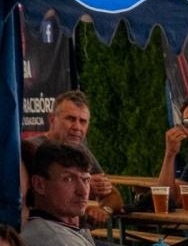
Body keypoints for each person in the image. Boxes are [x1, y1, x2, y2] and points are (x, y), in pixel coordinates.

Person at [21, 91, 122, 222]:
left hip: (78, 234)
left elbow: (114, 196)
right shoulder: (30, 149)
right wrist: (84, 186)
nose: (77, 127)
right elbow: (30, 196)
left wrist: (104, 210)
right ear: (52, 119)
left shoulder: (81, 150)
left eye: (83, 121)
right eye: (70, 119)